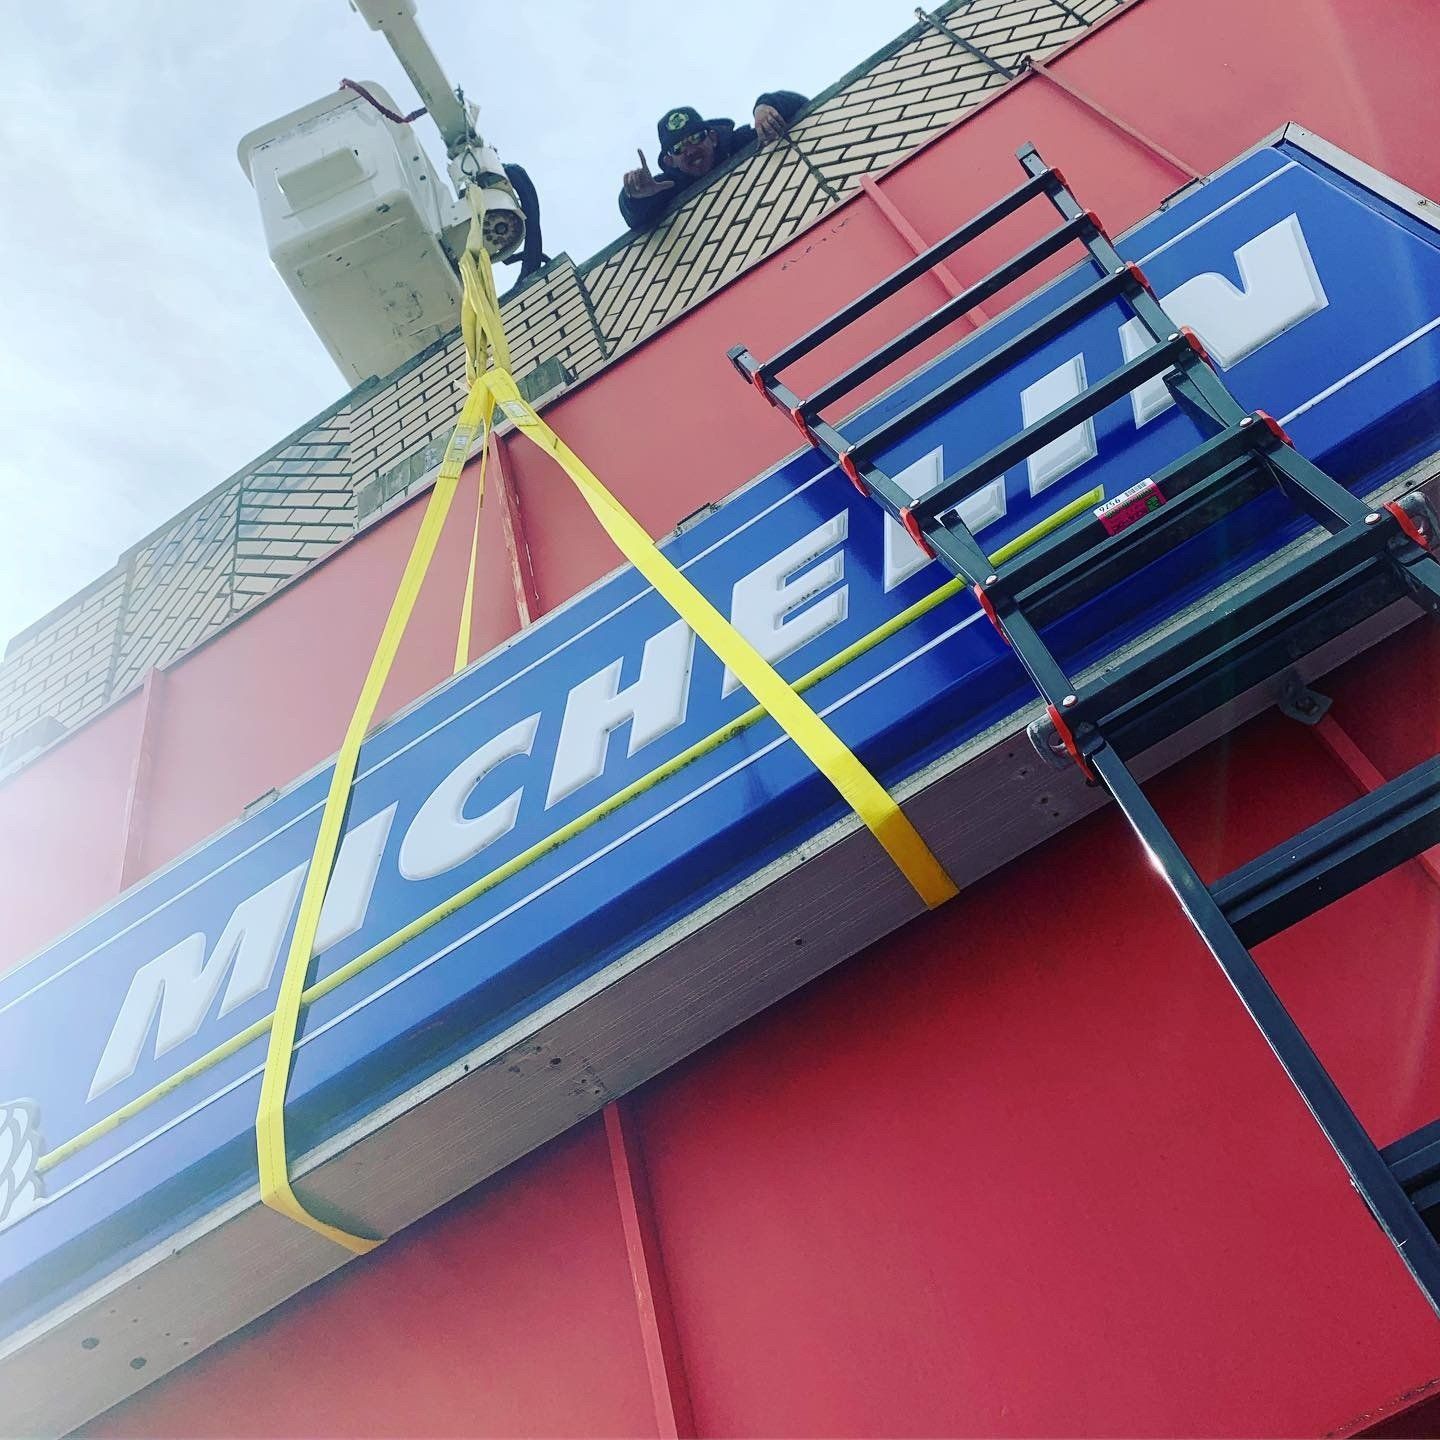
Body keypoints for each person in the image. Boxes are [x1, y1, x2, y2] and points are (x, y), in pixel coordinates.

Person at [619, 92, 809, 231]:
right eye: (679, 148)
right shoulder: (667, 188)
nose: (691, 150)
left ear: (713, 137)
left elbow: (803, 108)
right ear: (670, 161)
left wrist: (765, 107)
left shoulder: (742, 144)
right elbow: (636, 218)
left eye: (696, 138)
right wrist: (636, 196)